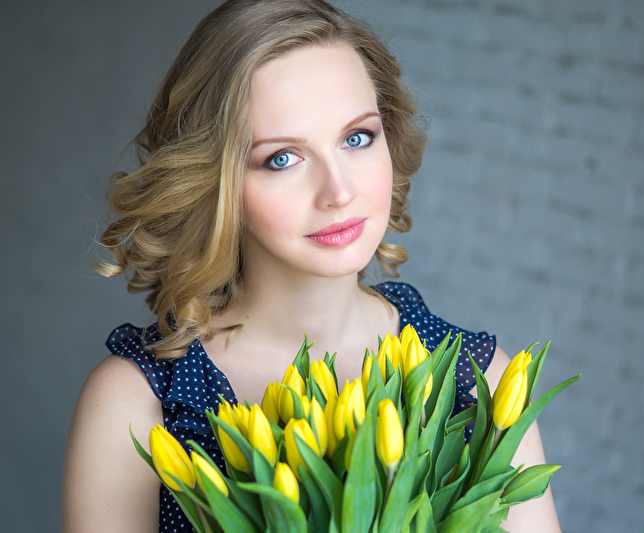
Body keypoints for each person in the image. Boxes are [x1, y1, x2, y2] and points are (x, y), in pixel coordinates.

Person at [62, 1, 561, 531]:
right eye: (282, 158)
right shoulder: (137, 405)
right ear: (216, 181)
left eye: (357, 138)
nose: (338, 191)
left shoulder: (482, 386)